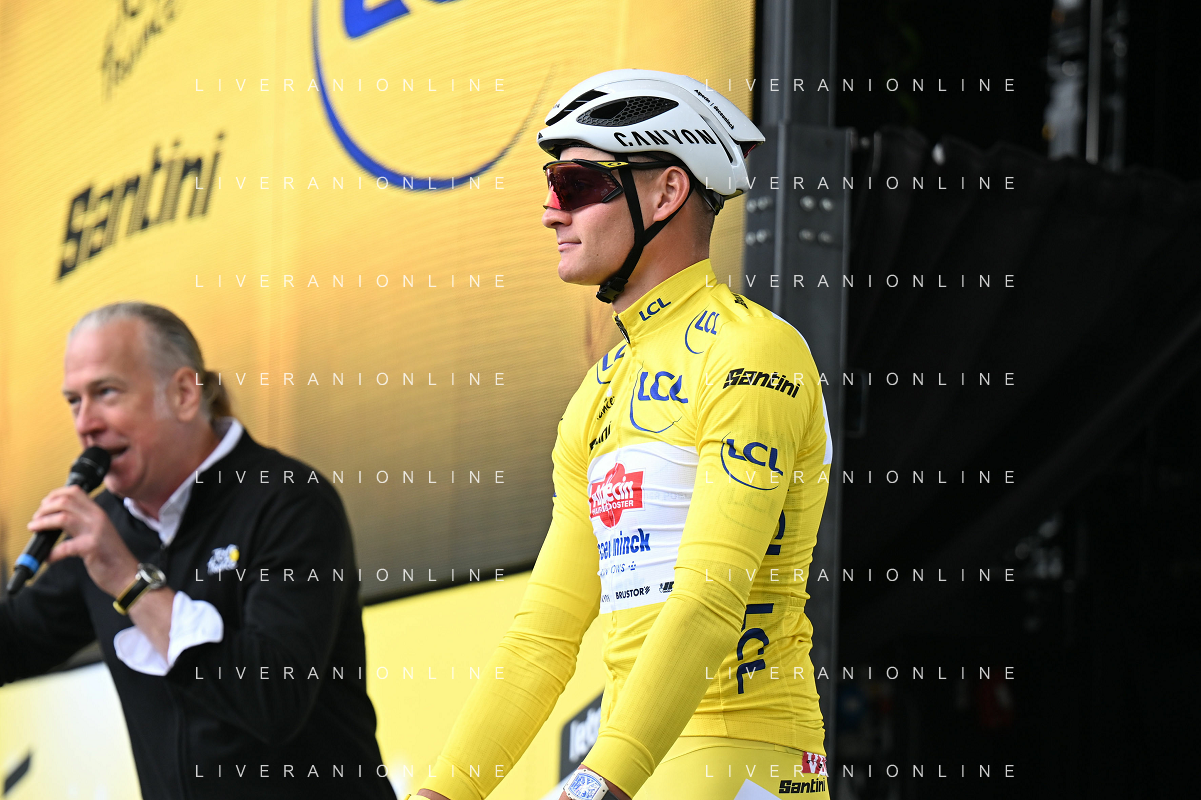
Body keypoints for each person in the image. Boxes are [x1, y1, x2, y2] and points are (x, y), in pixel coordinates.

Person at [409, 69, 832, 800]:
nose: (550, 212)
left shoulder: (754, 351)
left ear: (667, 193)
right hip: (634, 765)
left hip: (742, 755)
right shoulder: (598, 393)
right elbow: (541, 640)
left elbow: (707, 601)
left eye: (575, 184)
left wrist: (595, 787)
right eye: (550, 185)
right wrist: (441, 793)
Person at [0, 303, 395, 800]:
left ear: (184, 394)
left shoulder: (289, 501)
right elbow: (13, 645)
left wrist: (129, 581)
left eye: (107, 392)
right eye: (74, 401)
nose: (86, 423)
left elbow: (274, 698)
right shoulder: (108, 528)